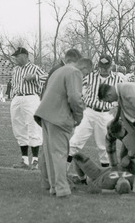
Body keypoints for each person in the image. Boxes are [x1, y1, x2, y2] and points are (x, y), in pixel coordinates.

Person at [34, 57, 93, 198]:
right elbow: (74, 97)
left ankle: (52, 186)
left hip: (45, 115)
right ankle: (62, 189)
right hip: (59, 117)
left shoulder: (59, 70)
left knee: (49, 154)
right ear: (84, 69)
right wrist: (78, 116)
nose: (84, 77)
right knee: (60, 154)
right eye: (86, 74)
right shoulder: (75, 72)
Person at [67, 53, 125, 177]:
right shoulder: (90, 76)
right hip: (89, 112)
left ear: (111, 66)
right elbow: (76, 88)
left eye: (106, 66)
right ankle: (62, 173)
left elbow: (123, 96)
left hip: (106, 114)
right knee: (75, 142)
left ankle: (106, 178)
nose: (104, 69)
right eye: (101, 66)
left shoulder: (118, 79)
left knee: (104, 147)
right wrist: (80, 100)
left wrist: (116, 107)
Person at [8, 46, 46, 170]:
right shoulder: (15, 70)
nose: (16, 59)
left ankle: (35, 160)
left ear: (25, 56)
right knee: (18, 127)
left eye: (18, 56)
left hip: (31, 97)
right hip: (17, 97)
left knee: (33, 126)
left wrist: (34, 77)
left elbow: (47, 78)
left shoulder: (35, 68)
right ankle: (24, 160)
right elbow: (14, 84)